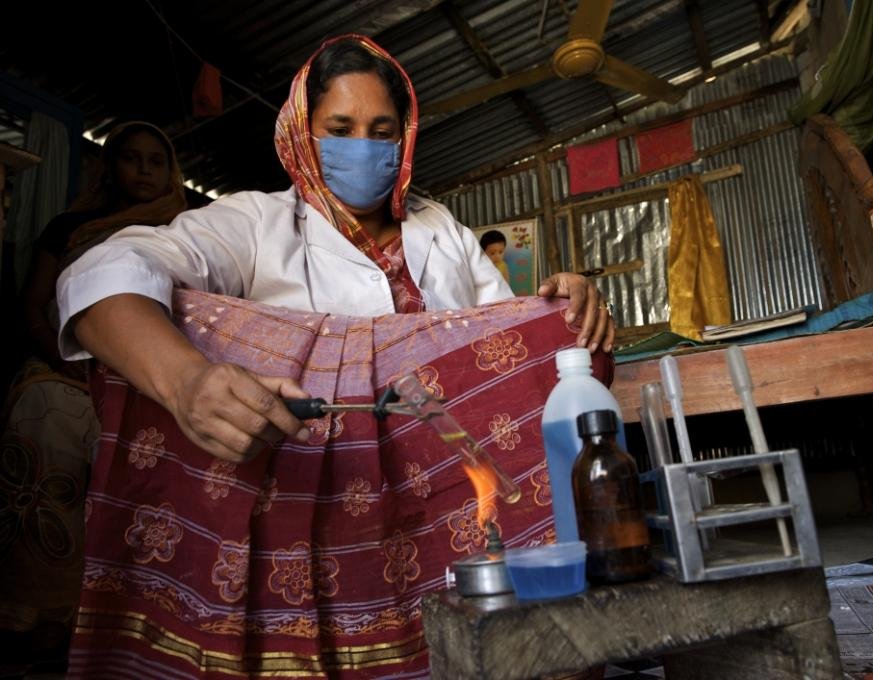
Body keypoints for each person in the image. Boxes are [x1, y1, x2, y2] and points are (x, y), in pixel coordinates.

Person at [56, 36, 615, 678]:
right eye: (340, 129)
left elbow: (502, 353)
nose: (363, 148)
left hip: (451, 496)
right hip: (311, 504)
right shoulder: (257, 224)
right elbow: (103, 273)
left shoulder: (444, 232)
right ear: (303, 131)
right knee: (176, 311)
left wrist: (563, 305)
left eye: (382, 131)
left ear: (405, 137)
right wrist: (187, 383)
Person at [1, 121, 186, 669]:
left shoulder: (186, 230)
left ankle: (121, 620)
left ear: (171, 172)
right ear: (109, 167)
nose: (145, 171)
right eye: (132, 159)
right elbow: (33, 308)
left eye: (157, 161)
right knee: (44, 416)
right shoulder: (71, 228)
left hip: (145, 377)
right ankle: (37, 614)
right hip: (66, 368)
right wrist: (64, 356)